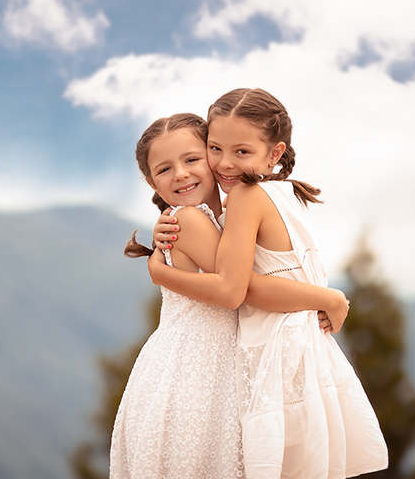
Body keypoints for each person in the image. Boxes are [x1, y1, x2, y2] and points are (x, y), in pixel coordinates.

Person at [148, 89, 388, 479]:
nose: (225, 163)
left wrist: (160, 273)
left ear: (274, 153)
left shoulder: (244, 196)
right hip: (290, 350)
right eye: (215, 149)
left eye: (240, 151)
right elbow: (243, 282)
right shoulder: (282, 193)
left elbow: (234, 289)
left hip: (277, 350)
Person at [110, 113, 349, 479]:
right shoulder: (188, 220)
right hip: (195, 373)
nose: (181, 174)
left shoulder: (222, 220)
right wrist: (326, 298)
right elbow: (243, 290)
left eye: (192, 159)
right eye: (164, 169)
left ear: (211, 156)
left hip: (214, 367)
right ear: (150, 181)